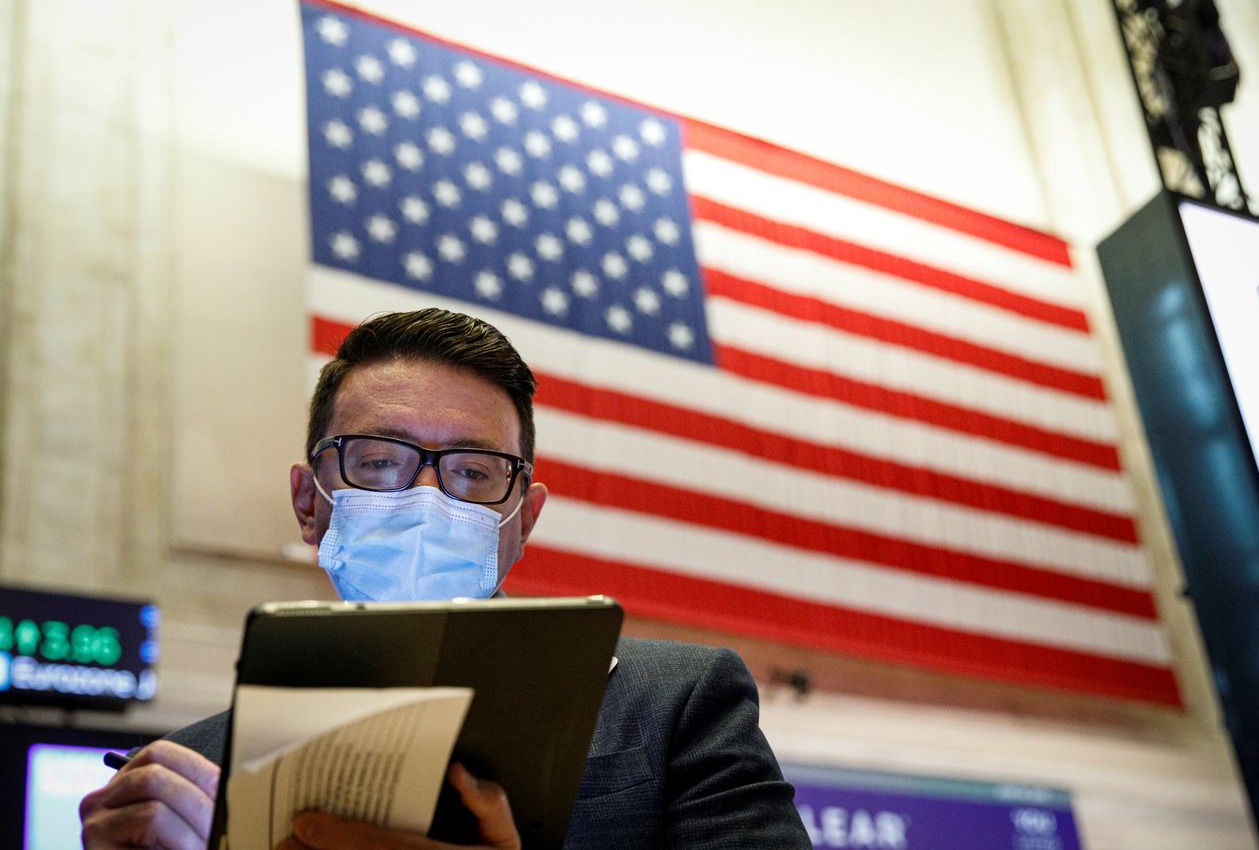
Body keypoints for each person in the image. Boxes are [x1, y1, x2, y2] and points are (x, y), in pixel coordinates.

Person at [80, 308, 811, 849]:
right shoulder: (184, 777)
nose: (427, 498)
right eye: (377, 460)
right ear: (310, 503)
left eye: (472, 472)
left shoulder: (676, 704)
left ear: (523, 521)